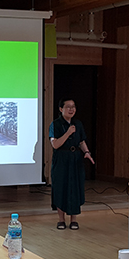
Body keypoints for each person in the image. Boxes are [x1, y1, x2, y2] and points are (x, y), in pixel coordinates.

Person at [49, 98, 95, 230]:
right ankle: (61, 220)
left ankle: (74, 220)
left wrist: (86, 152)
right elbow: (55, 144)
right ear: (60, 109)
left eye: (73, 106)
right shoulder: (55, 124)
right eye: (68, 106)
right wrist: (68, 133)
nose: (71, 109)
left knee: (75, 187)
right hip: (61, 158)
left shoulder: (78, 124)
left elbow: (81, 141)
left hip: (75, 159)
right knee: (60, 186)